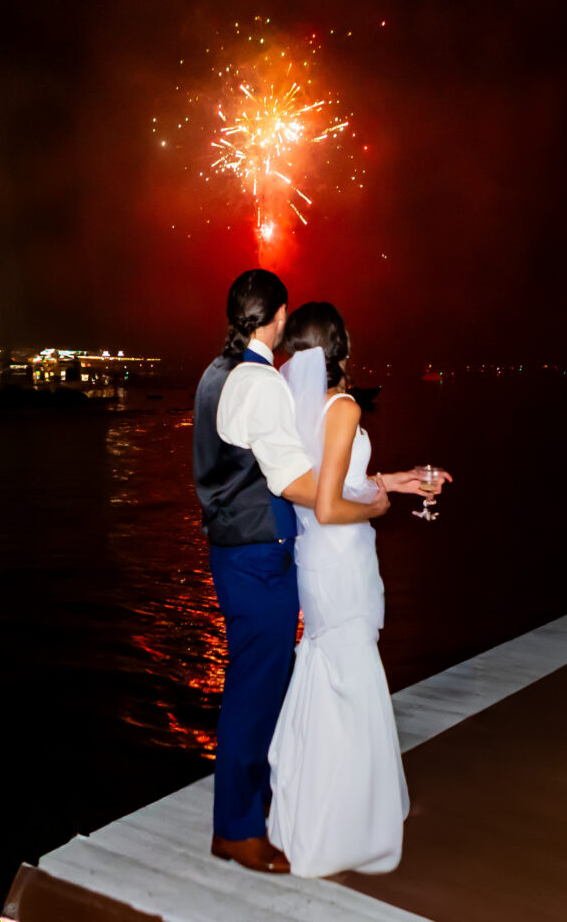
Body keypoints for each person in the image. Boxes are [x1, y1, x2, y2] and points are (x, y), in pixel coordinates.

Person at [193, 272, 390, 874]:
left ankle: (255, 804)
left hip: (234, 551)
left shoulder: (213, 374)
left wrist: (371, 483)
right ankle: (238, 830)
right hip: (258, 559)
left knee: (257, 685)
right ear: (278, 318)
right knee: (255, 692)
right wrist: (359, 503)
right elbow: (292, 482)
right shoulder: (260, 382)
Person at [268, 301, 451, 878]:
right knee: (349, 680)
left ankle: (312, 813)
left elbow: (329, 481)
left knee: (334, 675)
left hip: (316, 562)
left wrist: (393, 482)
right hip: (342, 561)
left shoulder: (302, 408)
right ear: (341, 347)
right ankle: (344, 827)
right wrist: (375, 506)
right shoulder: (343, 406)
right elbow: (332, 504)